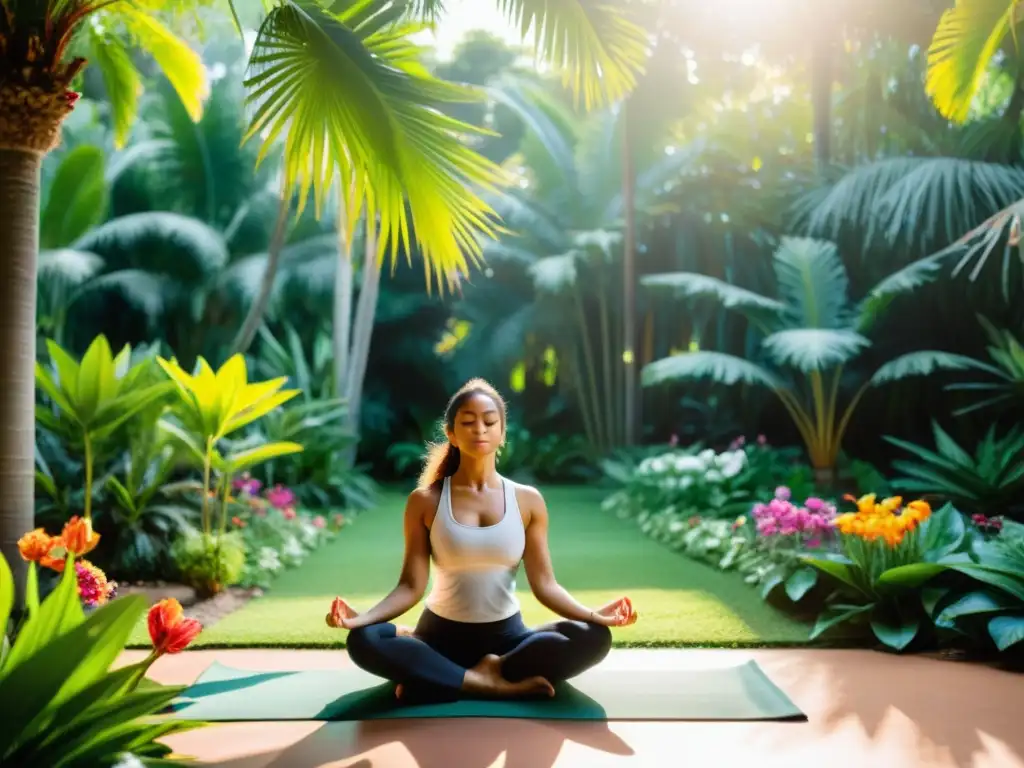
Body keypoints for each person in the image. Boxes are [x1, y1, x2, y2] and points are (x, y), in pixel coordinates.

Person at [325, 378, 638, 703]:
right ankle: (483, 681)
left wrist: (591, 614)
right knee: (363, 640)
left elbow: (545, 584)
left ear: (502, 433)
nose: (480, 430)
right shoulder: (426, 501)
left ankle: (438, 677)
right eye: (468, 422)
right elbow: (410, 586)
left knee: (595, 637)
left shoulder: (528, 500)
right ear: (451, 433)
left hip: (508, 640)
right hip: (438, 638)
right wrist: (361, 619)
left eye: (490, 422)